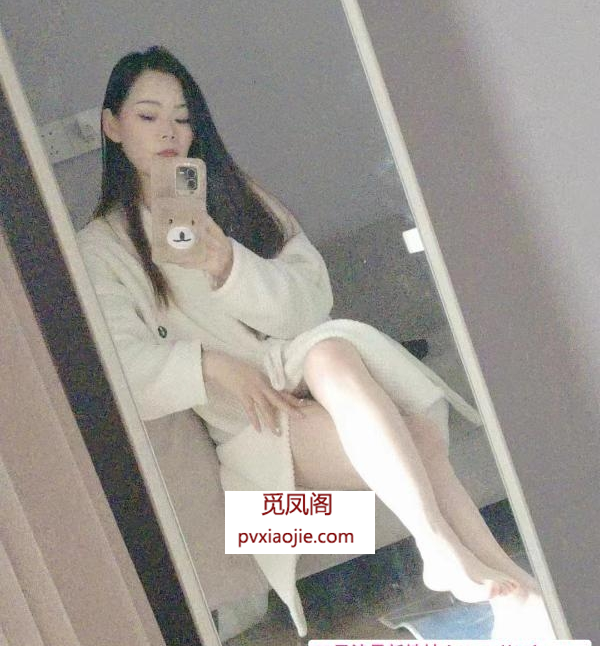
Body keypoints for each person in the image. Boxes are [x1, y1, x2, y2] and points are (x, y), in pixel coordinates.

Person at [76, 45, 553, 639]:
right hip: (254, 424)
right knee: (418, 435)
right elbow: (124, 367)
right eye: (148, 116)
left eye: (182, 117)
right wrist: (213, 364)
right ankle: (505, 582)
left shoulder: (234, 195)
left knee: (330, 348)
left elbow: (311, 300)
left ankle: (462, 564)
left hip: (306, 369)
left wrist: (227, 264)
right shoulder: (101, 250)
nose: (169, 132)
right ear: (112, 125)